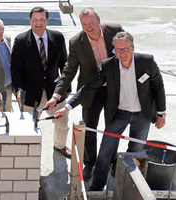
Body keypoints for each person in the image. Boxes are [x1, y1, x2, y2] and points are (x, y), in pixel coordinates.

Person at [54, 31, 166, 191]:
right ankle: (97, 186)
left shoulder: (146, 62)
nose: (122, 53)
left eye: (125, 48)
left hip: (143, 114)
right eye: (118, 49)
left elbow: (159, 86)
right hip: (119, 114)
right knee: (105, 151)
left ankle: (127, 186)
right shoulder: (108, 66)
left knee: (134, 152)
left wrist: (161, 114)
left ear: (133, 47)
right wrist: (67, 107)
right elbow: (89, 87)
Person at [46, 7, 124, 180]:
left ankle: (113, 161)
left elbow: (127, 52)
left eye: (91, 23)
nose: (88, 27)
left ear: (98, 20)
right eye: (84, 24)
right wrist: (57, 95)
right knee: (90, 129)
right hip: (90, 90)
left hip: (114, 89)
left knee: (113, 129)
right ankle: (90, 164)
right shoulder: (76, 42)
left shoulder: (115, 30)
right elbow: (69, 70)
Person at [11, 6, 71, 158]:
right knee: (28, 125)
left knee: (61, 123)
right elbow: (16, 70)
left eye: (42, 19)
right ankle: (28, 148)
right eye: (35, 20)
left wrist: (67, 88)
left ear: (47, 21)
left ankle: (60, 146)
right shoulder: (21, 41)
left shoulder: (57, 37)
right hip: (30, 93)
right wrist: (18, 89)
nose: (39, 23)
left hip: (55, 91)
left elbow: (65, 64)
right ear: (30, 21)